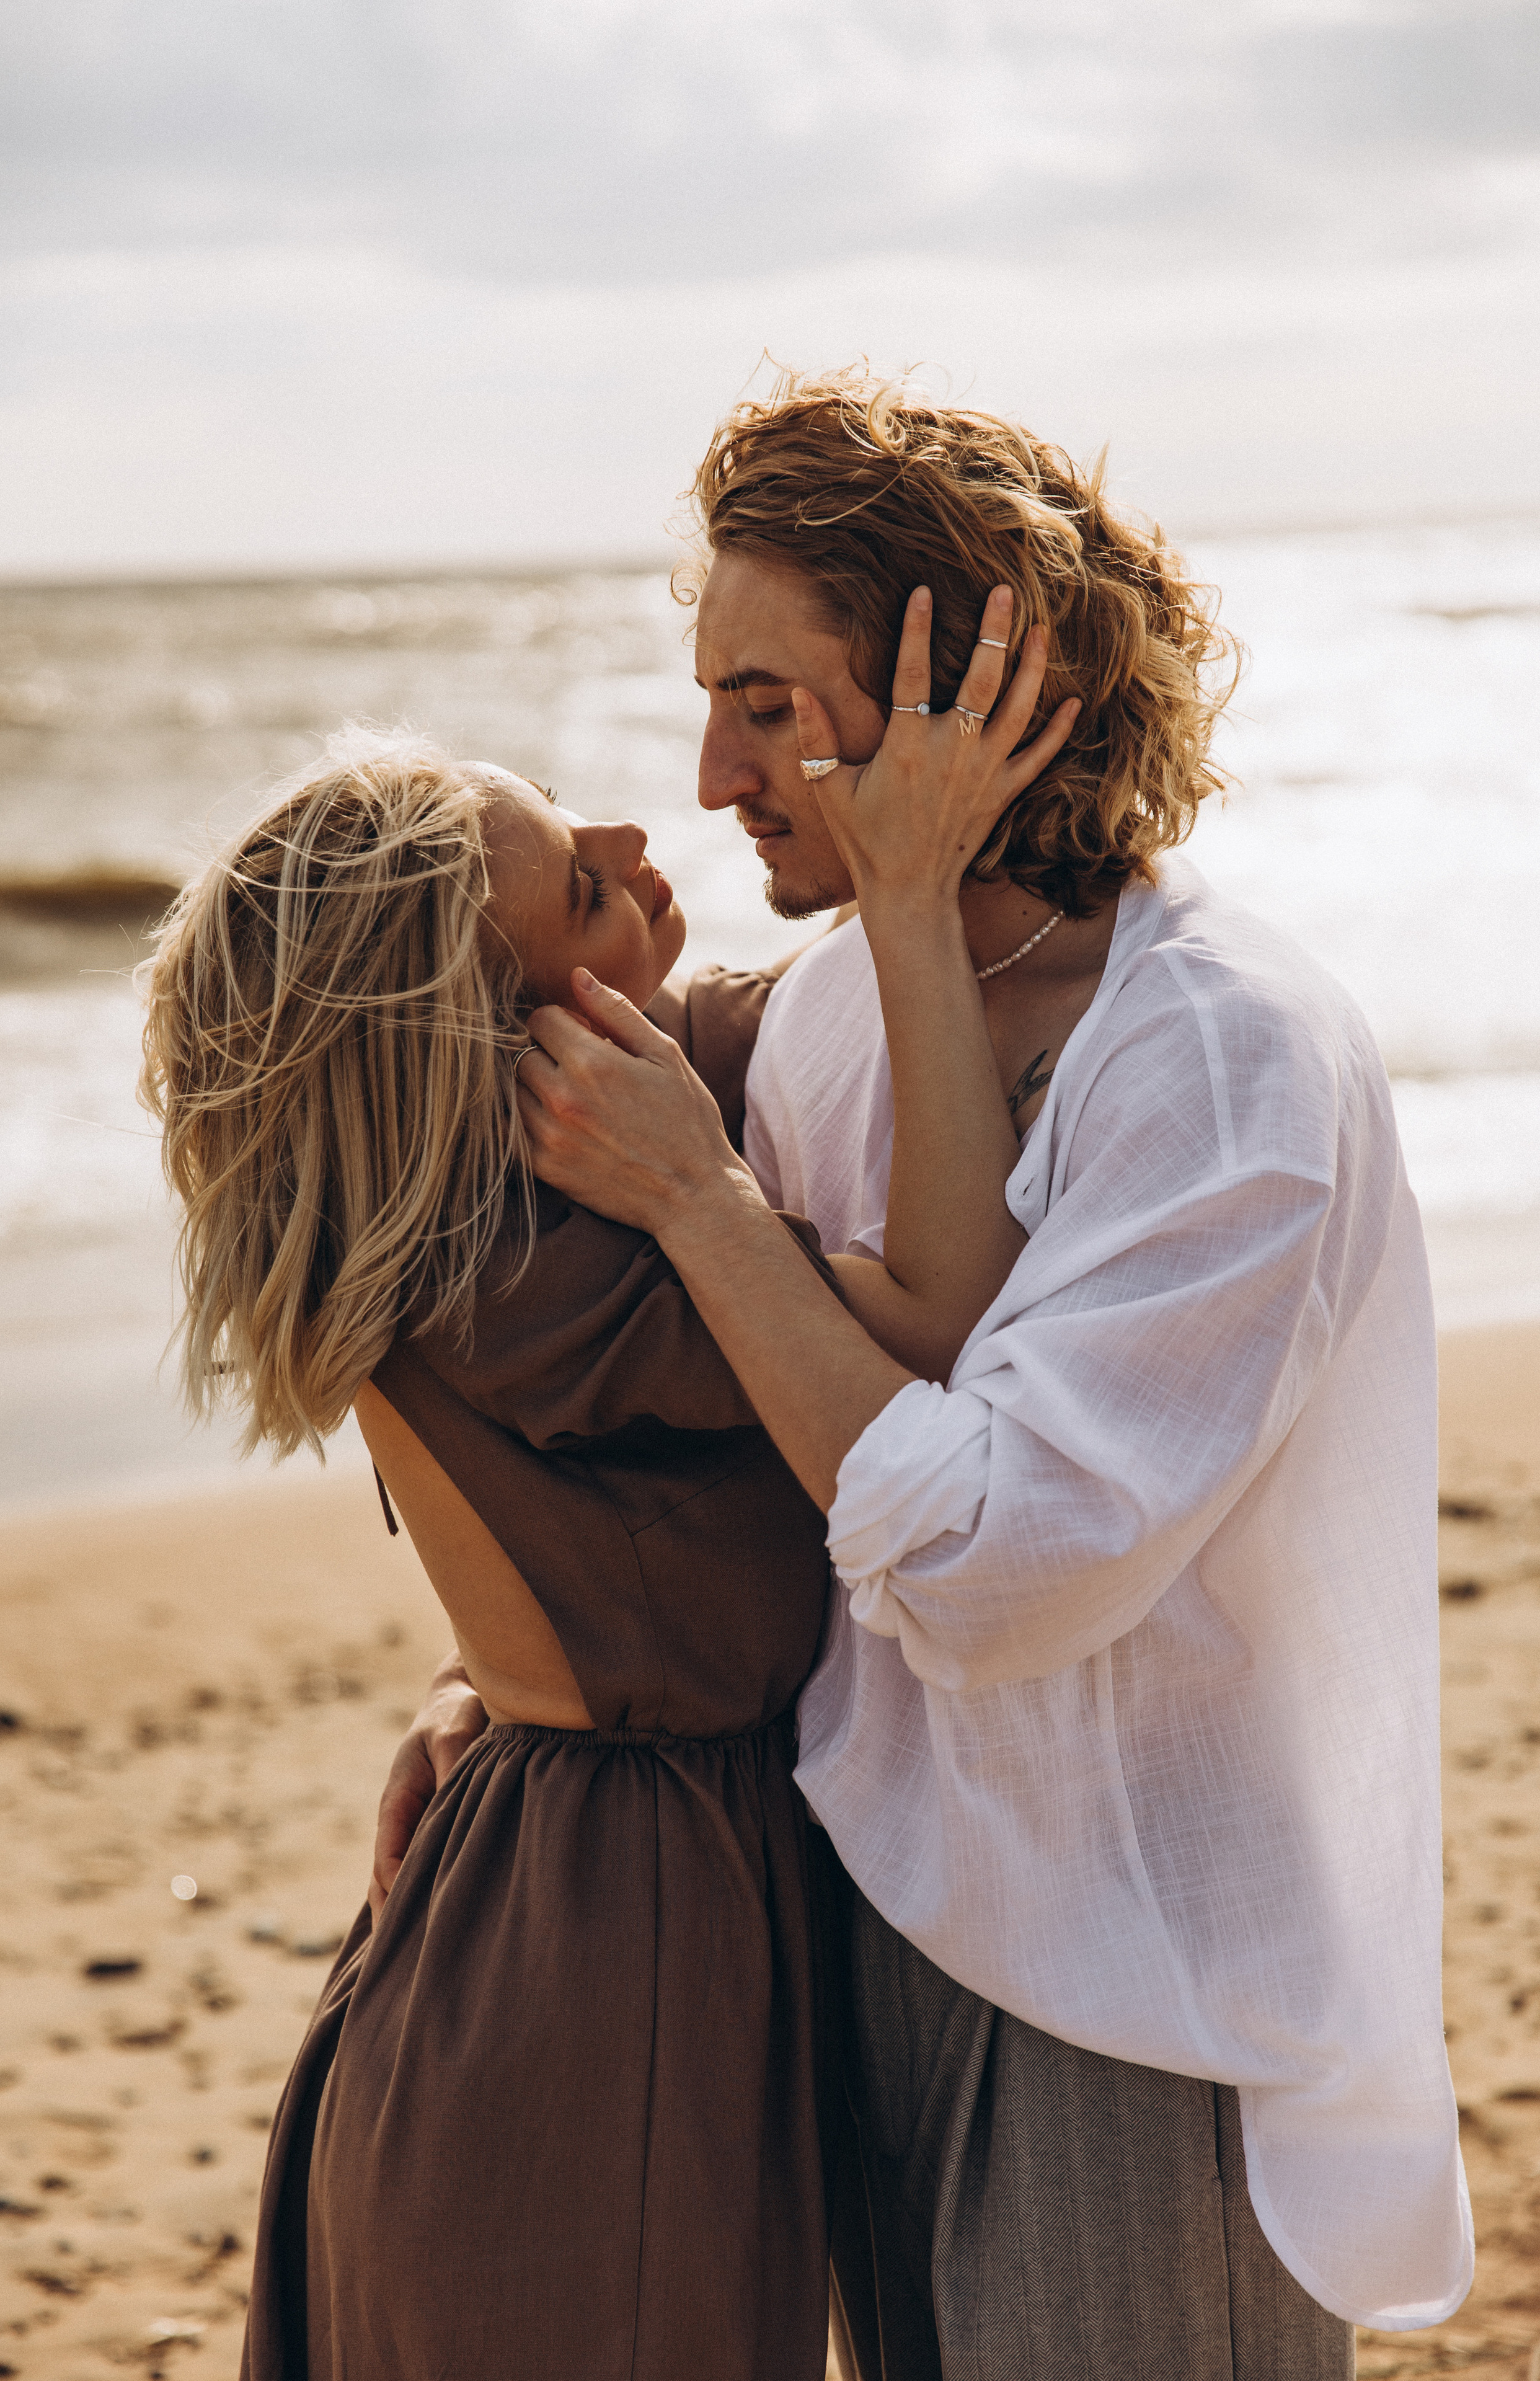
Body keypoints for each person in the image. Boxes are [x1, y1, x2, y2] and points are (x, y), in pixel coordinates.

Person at [382, 368, 1474, 2379]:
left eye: (770, 704)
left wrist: (708, 1210)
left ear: (977, 690)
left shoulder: (1221, 1058)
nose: (712, 773)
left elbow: (1000, 1564)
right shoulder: (818, 1034)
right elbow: (780, 1441)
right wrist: (492, 1681)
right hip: (868, 1907)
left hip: (1130, 1992)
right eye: (707, 696)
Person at [137, 624, 1074, 2379]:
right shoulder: (530, 1265)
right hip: (605, 1950)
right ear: (514, 1049)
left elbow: (875, 996)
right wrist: (895, 910)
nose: (647, 847)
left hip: (577, 1881)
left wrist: (924, 847)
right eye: (583, 885)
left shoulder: (583, 1130)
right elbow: (939, 1329)